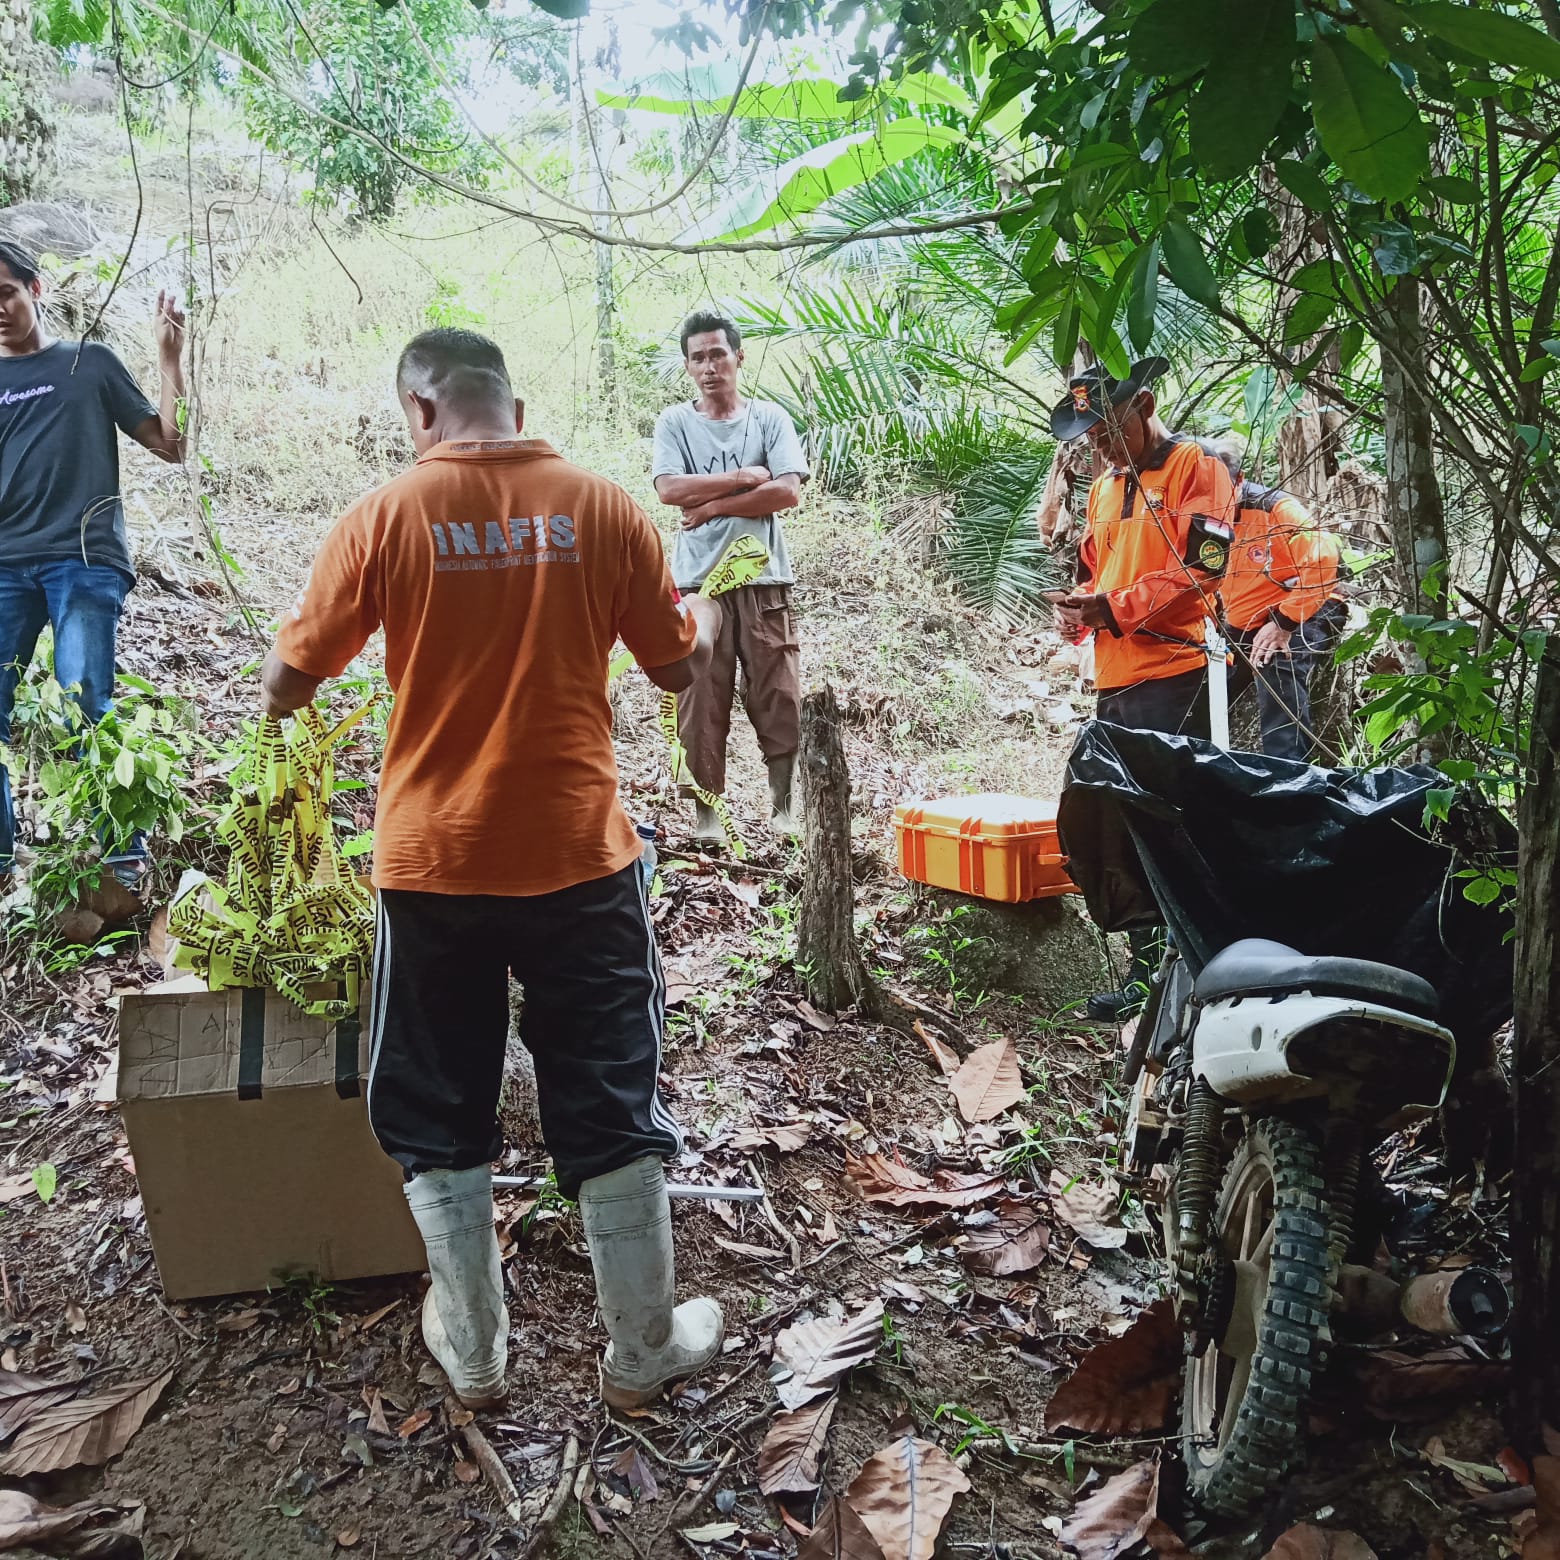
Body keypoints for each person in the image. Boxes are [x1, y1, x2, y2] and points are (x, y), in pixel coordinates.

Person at [260, 328, 725, 1411]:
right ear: (514, 407)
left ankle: (472, 1352)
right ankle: (643, 1349)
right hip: (578, 857)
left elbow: (288, 679)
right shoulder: (604, 507)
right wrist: (696, 616)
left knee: (437, 1093)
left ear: (419, 412)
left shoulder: (381, 517)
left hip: (430, 865)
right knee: (608, 1085)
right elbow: (673, 667)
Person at [1049, 356, 1237, 1022]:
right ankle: (1144, 976)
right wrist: (1078, 607)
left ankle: (1191, 975)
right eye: (1090, 435)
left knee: (1175, 821)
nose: (1098, 445)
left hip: (1178, 673)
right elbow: (1099, 572)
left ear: (1145, 405)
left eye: (1106, 429)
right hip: (1117, 678)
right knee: (1122, 823)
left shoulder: (1199, 468)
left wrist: (1117, 608)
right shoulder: (1103, 487)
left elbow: (1207, 571)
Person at [0, 239, 187, 891]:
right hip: (5, 569)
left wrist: (170, 362)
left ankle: (122, 861)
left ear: (36, 289)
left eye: (5, 292)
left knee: (86, 704)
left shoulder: (89, 362)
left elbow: (172, 444)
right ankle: (2, 860)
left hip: (83, 561)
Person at [652, 310, 808, 843]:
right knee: (699, 694)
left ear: (739, 357)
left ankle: (784, 806)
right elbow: (670, 490)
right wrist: (745, 479)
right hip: (697, 583)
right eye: (698, 357)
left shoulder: (770, 419)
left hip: (763, 578)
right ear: (688, 366)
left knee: (778, 689)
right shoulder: (675, 423)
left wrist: (715, 505)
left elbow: (787, 490)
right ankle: (706, 816)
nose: (709, 366)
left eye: (718, 354)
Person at [1215, 448, 1347, 761]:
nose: (1212, 501)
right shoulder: (1195, 516)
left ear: (1239, 482)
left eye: (1219, 491)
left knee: (1276, 663)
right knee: (1204, 680)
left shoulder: (1274, 507)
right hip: (1244, 618)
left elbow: (1324, 558)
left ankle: (1287, 772)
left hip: (1308, 604)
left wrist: (1285, 622)